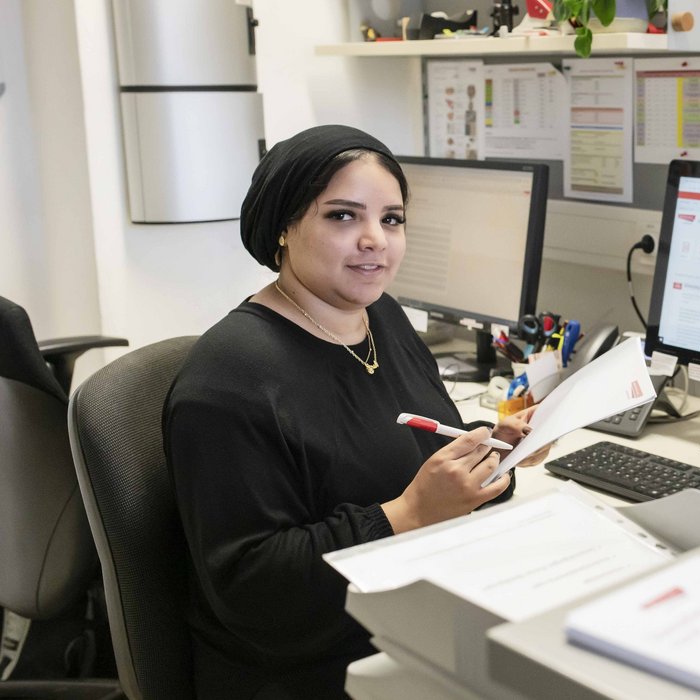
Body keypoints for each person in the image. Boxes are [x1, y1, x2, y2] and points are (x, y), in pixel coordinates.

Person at [163, 124, 550, 699]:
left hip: (407, 612)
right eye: (342, 216)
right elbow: (250, 591)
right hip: (311, 668)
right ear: (283, 229)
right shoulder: (227, 381)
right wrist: (408, 513)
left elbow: (421, 458)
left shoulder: (382, 319)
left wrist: (490, 454)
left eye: (391, 219)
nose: (376, 239)